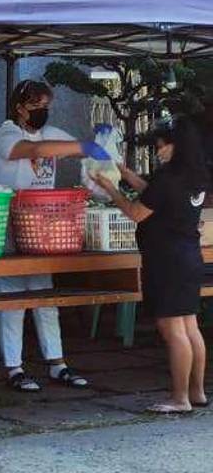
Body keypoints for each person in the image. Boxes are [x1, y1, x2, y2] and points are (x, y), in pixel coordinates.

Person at [0, 79, 107, 392]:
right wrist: (82, 147)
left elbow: (63, 146)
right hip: (7, 226)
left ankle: (57, 363)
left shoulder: (51, 134)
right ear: (19, 107)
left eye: (46, 107)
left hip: (42, 227)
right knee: (11, 299)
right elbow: (34, 150)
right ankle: (14, 367)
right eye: (36, 106)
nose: (42, 112)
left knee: (45, 297)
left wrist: (100, 150)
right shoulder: (6, 133)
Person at [93, 118, 209, 414]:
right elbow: (154, 194)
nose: (158, 152)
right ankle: (197, 392)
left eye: (161, 146)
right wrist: (125, 173)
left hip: (166, 260)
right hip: (188, 256)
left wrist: (111, 189)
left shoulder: (168, 178)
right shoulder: (193, 176)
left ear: (176, 146)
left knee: (174, 330)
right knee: (189, 326)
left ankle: (179, 398)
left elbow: (136, 212)